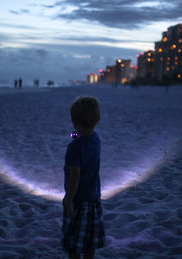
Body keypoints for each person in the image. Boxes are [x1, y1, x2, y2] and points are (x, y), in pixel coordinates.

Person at [62, 96, 105, 259]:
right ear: (97, 119)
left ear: (74, 120)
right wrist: (75, 135)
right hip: (94, 199)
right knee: (89, 242)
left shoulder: (74, 148)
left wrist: (68, 199)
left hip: (78, 201)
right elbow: (81, 137)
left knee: (73, 243)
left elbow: (75, 175)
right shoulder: (96, 139)